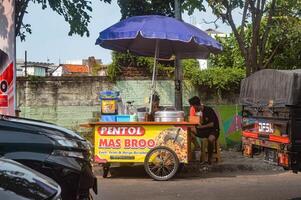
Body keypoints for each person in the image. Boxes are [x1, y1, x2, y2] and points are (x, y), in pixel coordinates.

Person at [189, 96, 220, 164]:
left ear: (197, 105)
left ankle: (210, 158)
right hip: (205, 130)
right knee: (190, 129)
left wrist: (201, 127)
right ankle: (197, 148)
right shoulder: (200, 112)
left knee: (210, 139)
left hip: (214, 130)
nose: (193, 109)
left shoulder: (209, 110)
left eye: (193, 107)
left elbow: (212, 124)